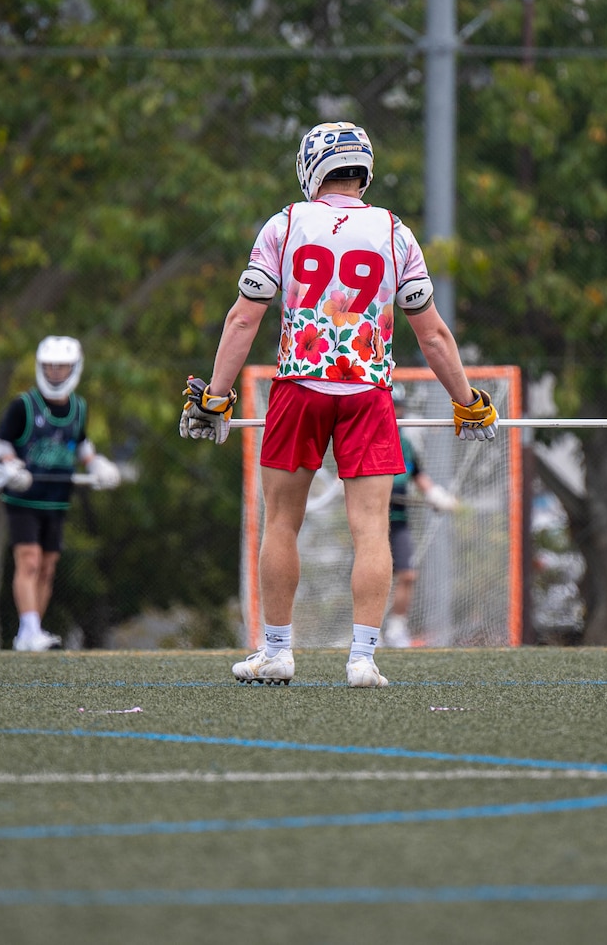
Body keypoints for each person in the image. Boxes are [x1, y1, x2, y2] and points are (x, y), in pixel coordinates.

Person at [180, 121, 498, 688]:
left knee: (282, 523)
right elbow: (433, 335)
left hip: (299, 387)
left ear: (310, 168)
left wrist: (216, 397)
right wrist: (468, 401)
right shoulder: (395, 232)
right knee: (372, 529)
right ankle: (363, 659)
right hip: (368, 392)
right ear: (364, 170)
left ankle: (277, 652)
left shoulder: (285, 224)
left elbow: (243, 319)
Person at [0, 336, 121, 652]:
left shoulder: (78, 408)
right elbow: (0, 443)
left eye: (61, 367)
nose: (55, 372)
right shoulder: (23, 406)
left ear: (74, 368)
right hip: (23, 497)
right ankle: (28, 630)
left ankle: (32, 634)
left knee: (47, 566)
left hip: (56, 498)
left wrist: (96, 464)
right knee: (29, 560)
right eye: (50, 366)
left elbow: (81, 444)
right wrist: (10, 463)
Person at [382, 415, 459, 650]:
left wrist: (436, 495)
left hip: (399, 521)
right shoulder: (367, 437)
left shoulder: (405, 445)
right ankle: (368, 631)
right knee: (375, 576)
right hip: (371, 524)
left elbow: (418, 475)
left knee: (407, 574)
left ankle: (395, 630)